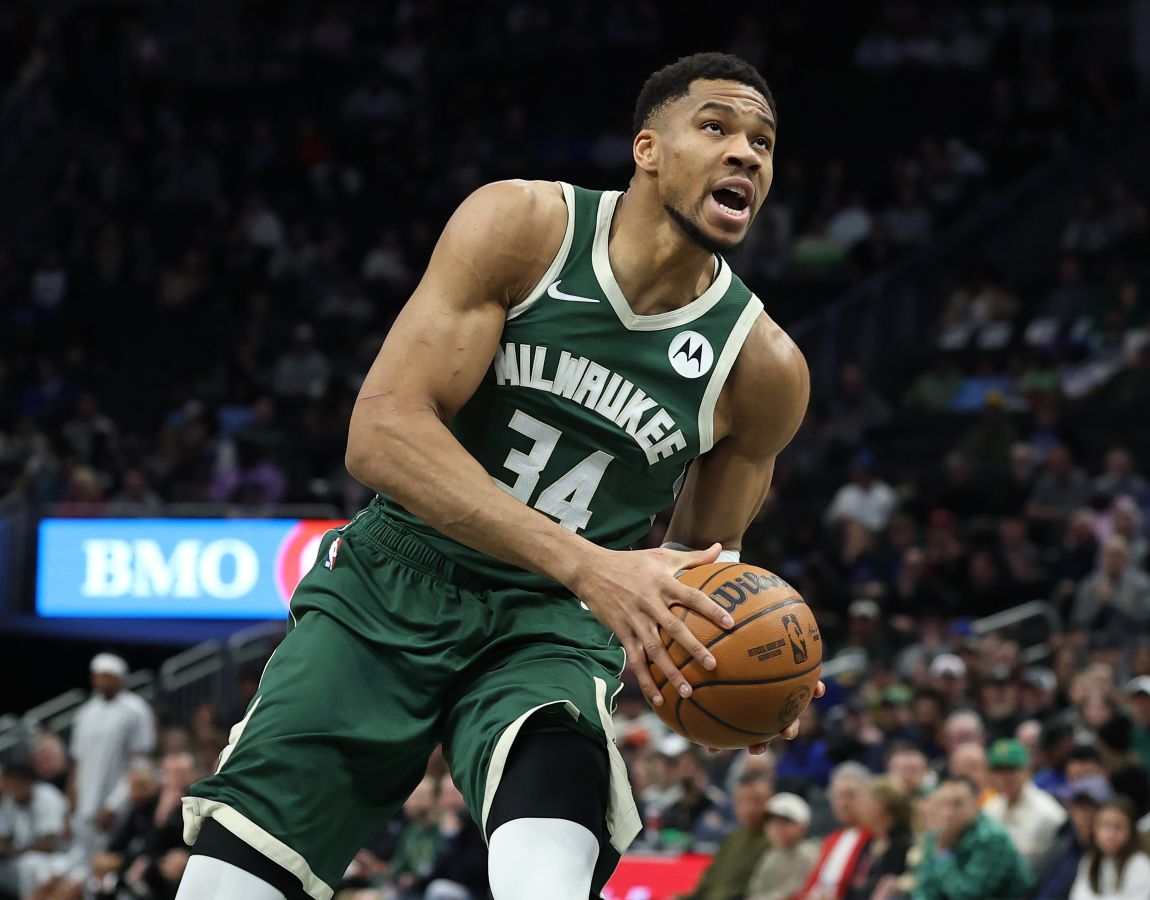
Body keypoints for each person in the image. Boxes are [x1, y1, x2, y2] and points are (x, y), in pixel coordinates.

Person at [175, 52, 821, 900]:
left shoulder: (762, 367)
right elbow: (381, 434)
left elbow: (700, 572)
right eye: (716, 127)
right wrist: (588, 564)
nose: (745, 153)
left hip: (550, 630)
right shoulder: (527, 227)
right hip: (391, 584)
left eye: (763, 143)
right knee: (227, 890)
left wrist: (738, 674)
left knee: (545, 879)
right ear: (647, 149)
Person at [70, 653, 156, 864]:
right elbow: (79, 760)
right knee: (84, 863)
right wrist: (72, 799)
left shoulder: (136, 709)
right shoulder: (85, 713)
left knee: (110, 858)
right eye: (98, 676)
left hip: (119, 801)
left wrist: (115, 804)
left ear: (119, 679)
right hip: (85, 802)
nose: (102, 681)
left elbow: (141, 760)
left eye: (107, 676)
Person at [909, 776, 1033, 900]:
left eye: (957, 804)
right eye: (943, 803)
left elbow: (969, 895)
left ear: (975, 804)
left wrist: (944, 854)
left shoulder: (991, 837)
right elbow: (925, 888)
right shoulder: (935, 834)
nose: (948, 812)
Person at [676, 775, 772, 900]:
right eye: (741, 802)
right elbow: (707, 882)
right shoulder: (733, 838)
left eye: (756, 801)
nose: (749, 808)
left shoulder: (773, 842)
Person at [983, 738, 1067, 867]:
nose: (1004, 778)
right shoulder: (991, 807)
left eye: (1011, 771)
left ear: (1027, 770)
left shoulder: (1048, 812)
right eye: (999, 772)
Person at [798, 763, 873, 900]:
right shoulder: (831, 840)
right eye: (838, 796)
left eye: (850, 795)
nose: (844, 804)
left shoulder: (873, 838)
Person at [0, 763, 70, 898]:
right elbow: (4, 838)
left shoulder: (46, 795)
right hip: (21, 859)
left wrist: (12, 851)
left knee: (30, 865)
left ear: (27, 782)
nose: (12, 789)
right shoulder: (9, 800)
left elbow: (50, 845)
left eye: (16, 784)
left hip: (59, 859)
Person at [1069, 799, 1150, 900]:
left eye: (1118, 827)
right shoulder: (1090, 860)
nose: (1110, 835)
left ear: (1131, 831)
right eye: (1105, 825)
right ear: (1095, 828)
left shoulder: (1140, 864)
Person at [842, 778, 912, 900]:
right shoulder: (869, 841)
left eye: (864, 802)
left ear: (880, 806)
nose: (857, 807)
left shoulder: (902, 844)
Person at [745, 792, 816, 900]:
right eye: (772, 822)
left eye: (785, 822)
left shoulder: (807, 854)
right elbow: (753, 891)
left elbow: (793, 893)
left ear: (802, 827)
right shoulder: (770, 854)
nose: (777, 828)